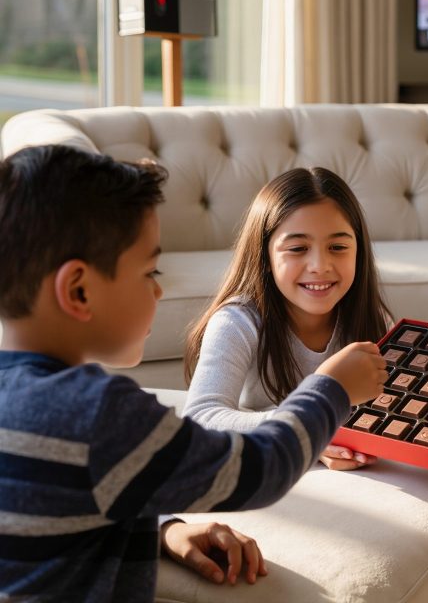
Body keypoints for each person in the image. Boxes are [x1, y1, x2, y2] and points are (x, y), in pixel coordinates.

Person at [0, 145, 387, 602]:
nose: (159, 289)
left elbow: (73, 502)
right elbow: (262, 468)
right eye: (150, 271)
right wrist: (331, 389)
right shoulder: (103, 413)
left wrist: (165, 530)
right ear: (79, 290)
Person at [183, 166, 392, 472]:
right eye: (297, 248)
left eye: (338, 247)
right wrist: (309, 425)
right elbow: (201, 419)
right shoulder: (236, 323)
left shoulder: (372, 320)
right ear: (264, 257)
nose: (320, 265)